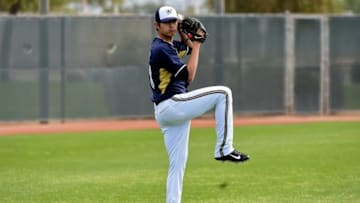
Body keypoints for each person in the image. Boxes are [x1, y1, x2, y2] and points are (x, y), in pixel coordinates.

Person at [148, 6, 250, 203]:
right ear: (156, 25)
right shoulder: (161, 49)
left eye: (173, 22)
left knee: (177, 165)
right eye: (167, 22)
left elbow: (186, 48)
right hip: (172, 104)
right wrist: (197, 45)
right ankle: (224, 149)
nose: (171, 26)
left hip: (167, 110)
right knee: (223, 93)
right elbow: (190, 75)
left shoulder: (168, 46)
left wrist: (186, 31)